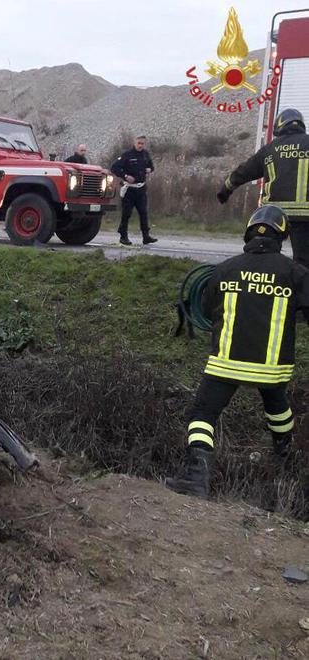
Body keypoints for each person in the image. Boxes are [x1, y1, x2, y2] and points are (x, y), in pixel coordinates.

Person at [166, 205, 309, 498]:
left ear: (248, 231)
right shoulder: (295, 274)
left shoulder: (224, 269)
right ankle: (284, 461)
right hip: (272, 368)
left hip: (226, 365)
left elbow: (206, 310)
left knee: (203, 414)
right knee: (278, 408)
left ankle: (196, 479)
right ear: (281, 236)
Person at [217, 108, 309, 269]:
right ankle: (301, 290)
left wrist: (226, 189)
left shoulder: (269, 150)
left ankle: (262, 285)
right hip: (305, 217)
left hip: (274, 216)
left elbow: (244, 171)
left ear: (279, 126)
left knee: (265, 256)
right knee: (304, 262)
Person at [111, 136, 157, 246]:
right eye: (139, 143)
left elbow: (151, 166)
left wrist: (149, 169)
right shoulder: (127, 155)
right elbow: (114, 168)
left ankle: (146, 236)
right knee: (127, 213)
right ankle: (123, 236)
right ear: (134, 143)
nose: (140, 145)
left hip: (141, 189)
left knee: (143, 212)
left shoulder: (145, 154)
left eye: (142, 143)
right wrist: (125, 176)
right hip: (129, 189)